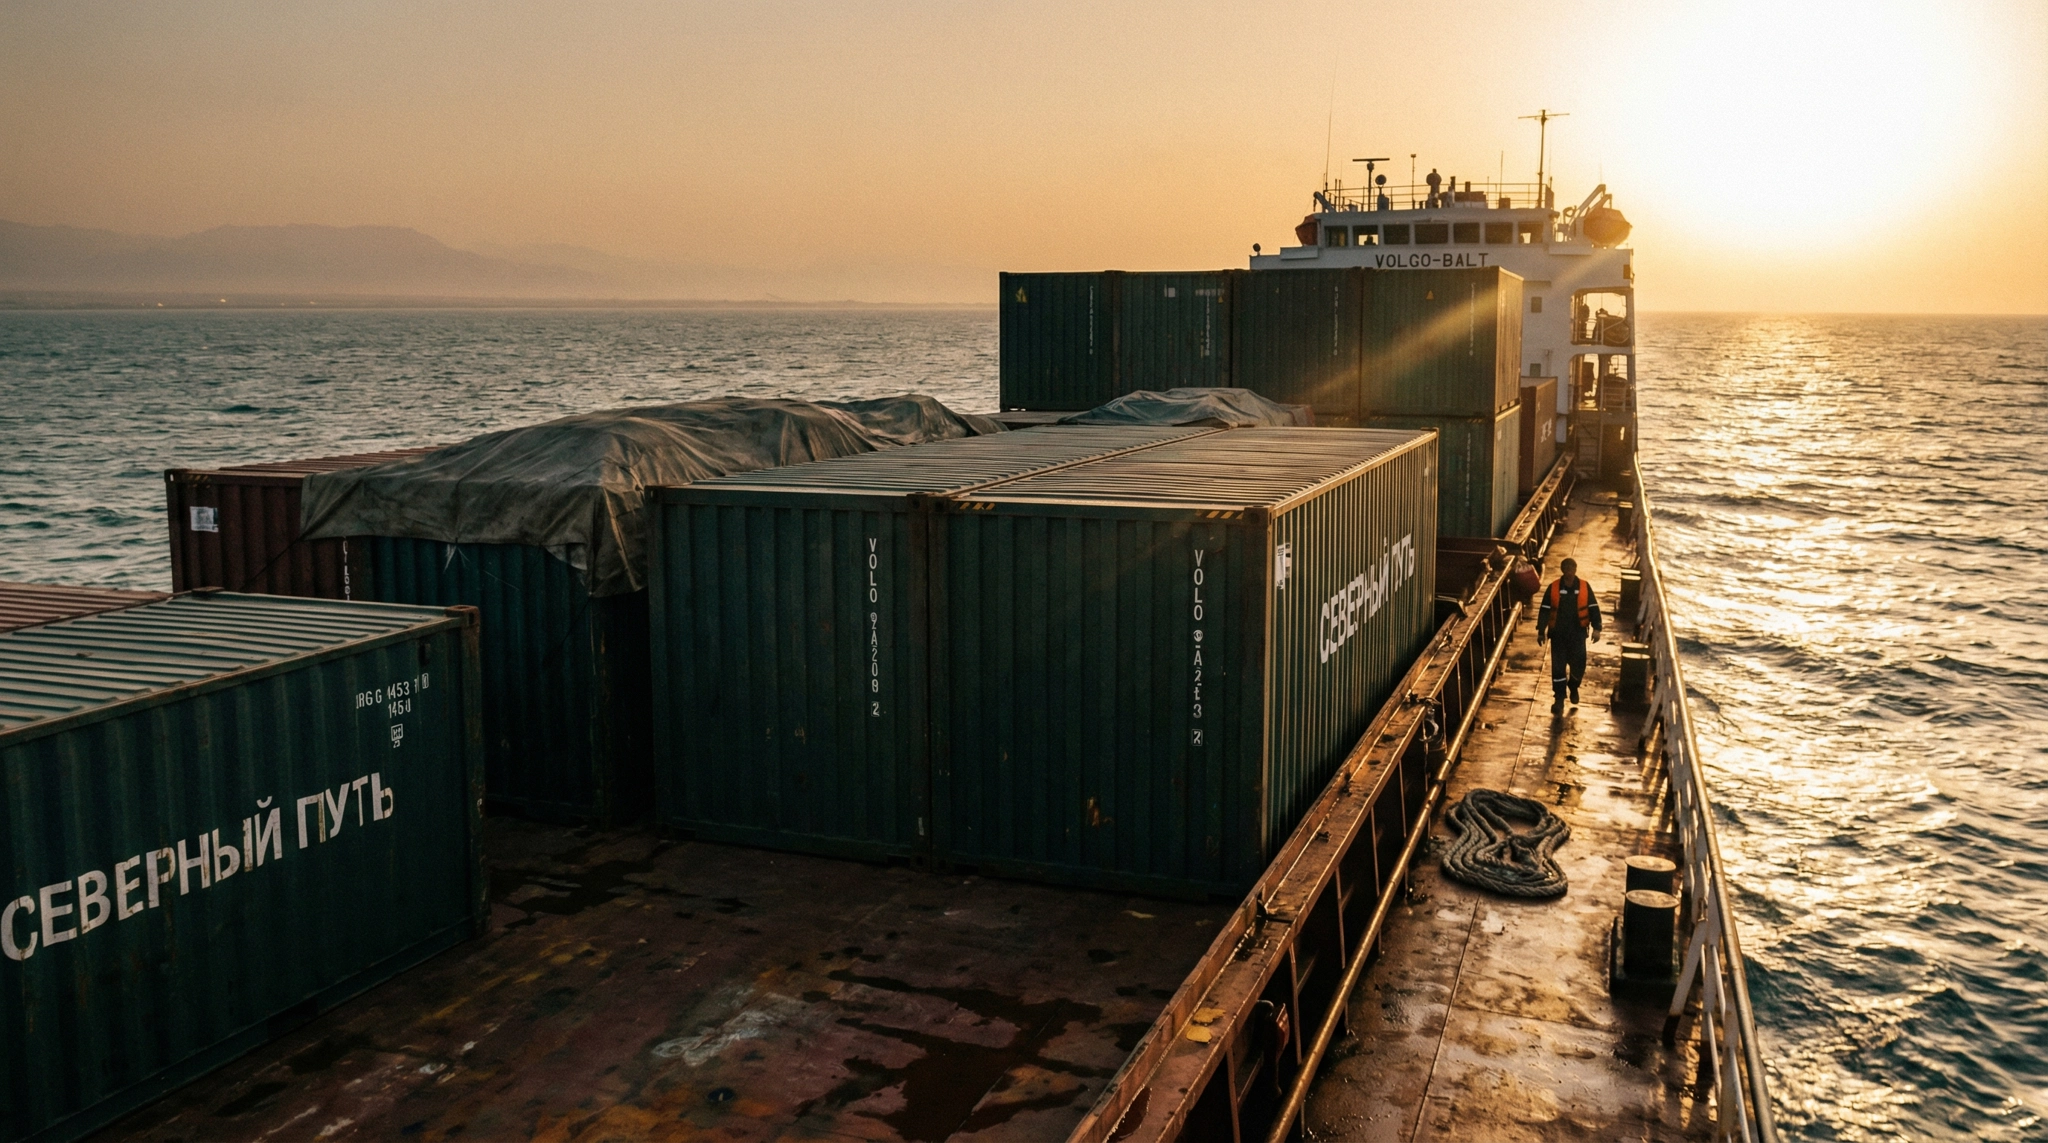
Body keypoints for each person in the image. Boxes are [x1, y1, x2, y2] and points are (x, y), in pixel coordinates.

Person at [1536, 557, 1603, 713]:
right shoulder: (1553, 588)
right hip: (1558, 635)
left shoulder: (1585, 587)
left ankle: (1573, 686)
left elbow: (1593, 608)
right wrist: (1541, 631)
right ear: (1563, 570)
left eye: (1572, 569)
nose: (1569, 572)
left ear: (1575, 570)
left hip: (1578, 635)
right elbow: (1545, 609)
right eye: (1566, 569)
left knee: (1579, 665)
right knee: (1558, 669)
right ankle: (1559, 698)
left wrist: (1597, 628)